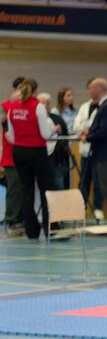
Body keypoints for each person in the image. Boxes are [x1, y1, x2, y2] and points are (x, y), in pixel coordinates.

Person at [6, 78, 56, 240]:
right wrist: (54, 129)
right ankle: (49, 228)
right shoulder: (38, 106)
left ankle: (31, 230)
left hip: (19, 151)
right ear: (35, 91)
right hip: (36, 151)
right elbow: (45, 134)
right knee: (45, 189)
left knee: (26, 190)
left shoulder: (12, 107)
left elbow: (12, 136)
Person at [81, 78, 107, 237]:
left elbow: (104, 131)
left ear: (99, 89)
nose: (89, 91)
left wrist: (88, 136)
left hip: (106, 154)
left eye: (91, 88)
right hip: (105, 153)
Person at [72, 77, 103, 221]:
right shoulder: (85, 107)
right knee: (84, 179)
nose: (90, 91)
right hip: (85, 149)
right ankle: (81, 207)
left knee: (98, 180)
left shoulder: (103, 107)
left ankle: (97, 208)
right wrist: (85, 129)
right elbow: (76, 126)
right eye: (89, 88)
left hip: (98, 150)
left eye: (92, 88)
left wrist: (87, 129)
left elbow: (99, 128)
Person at [2, 77, 26, 235]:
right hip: (11, 157)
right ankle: (12, 221)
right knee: (14, 190)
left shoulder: (28, 107)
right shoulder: (6, 107)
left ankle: (20, 220)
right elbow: (8, 134)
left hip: (25, 156)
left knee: (23, 190)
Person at [38, 93, 71, 191]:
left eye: (47, 103)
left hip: (57, 159)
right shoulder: (36, 119)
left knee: (58, 184)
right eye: (42, 103)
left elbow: (65, 136)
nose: (45, 105)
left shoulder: (58, 119)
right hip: (41, 157)